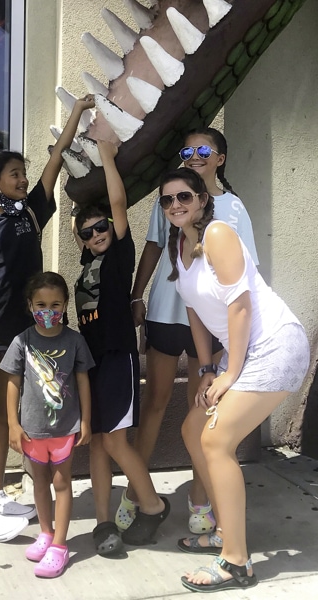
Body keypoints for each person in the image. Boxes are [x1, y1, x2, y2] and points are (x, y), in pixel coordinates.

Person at [0, 95, 95, 542]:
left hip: (23, 337)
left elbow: (55, 160)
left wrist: (76, 114)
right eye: (14, 173)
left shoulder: (32, 213)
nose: (24, 178)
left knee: (0, 416)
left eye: (23, 173)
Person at [159, 166, 309, 592]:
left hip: (274, 346)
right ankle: (226, 532)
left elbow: (240, 306)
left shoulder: (219, 235)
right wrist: (207, 369)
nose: (175, 206)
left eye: (184, 197)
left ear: (202, 199)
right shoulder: (179, 246)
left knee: (215, 439)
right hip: (239, 353)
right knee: (193, 427)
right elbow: (194, 310)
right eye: (167, 200)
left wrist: (231, 374)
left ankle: (236, 563)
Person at [116, 127, 259, 535]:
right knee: (155, 402)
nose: (194, 155)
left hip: (210, 323)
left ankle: (200, 501)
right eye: (187, 150)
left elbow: (248, 271)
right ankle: (136, 492)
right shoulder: (172, 197)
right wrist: (136, 294)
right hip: (165, 311)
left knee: (203, 412)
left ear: (221, 158)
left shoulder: (233, 207)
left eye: (203, 149)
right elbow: (153, 247)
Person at [73, 139, 170, 556]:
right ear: (80, 240)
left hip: (116, 359)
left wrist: (108, 159)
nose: (97, 234)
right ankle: (103, 523)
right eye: (87, 232)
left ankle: (153, 505)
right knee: (97, 443)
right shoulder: (85, 269)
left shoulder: (118, 256)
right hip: (90, 365)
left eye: (102, 227)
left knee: (114, 441)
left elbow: (117, 202)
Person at [0, 271, 93, 578]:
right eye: (41, 304)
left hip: (65, 430)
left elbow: (82, 382)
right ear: (29, 305)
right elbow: (12, 384)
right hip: (32, 429)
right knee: (39, 482)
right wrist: (13, 424)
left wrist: (86, 421)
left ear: (65, 305)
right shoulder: (21, 342)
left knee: (62, 483)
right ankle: (46, 533)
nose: (48, 311)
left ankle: (60, 546)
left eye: (55, 304)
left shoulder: (75, 341)